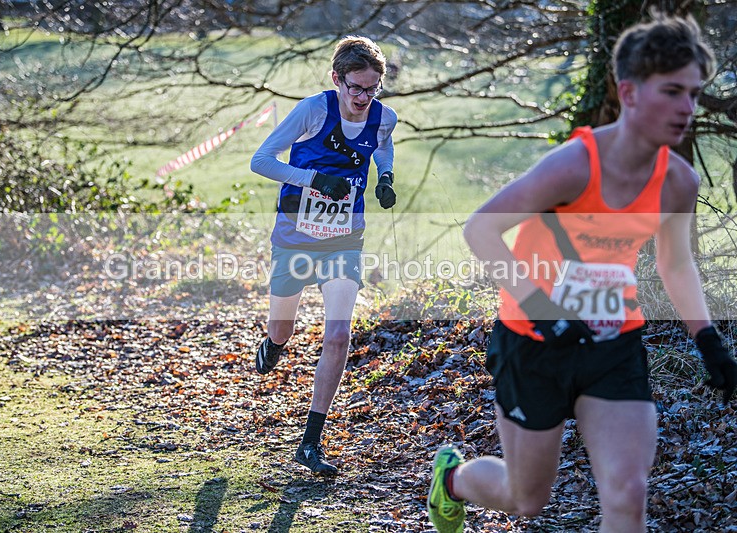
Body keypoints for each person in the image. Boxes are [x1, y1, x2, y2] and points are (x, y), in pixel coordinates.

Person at [427, 12, 736, 533]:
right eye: (672, 91)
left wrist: (707, 338)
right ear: (629, 92)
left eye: (693, 93)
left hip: (612, 344)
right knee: (526, 499)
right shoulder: (574, 166)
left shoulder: (677, 182)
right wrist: (542, 310)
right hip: (533, 344)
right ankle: (452, 480)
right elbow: (481, 229)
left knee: (628, 491)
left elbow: (675, 261)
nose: (687, 108)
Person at [250, 36, 397, 475]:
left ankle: (310, 442)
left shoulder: (384, 117)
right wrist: (312, 179)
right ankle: (274, 343)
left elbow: (383, 145)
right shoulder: (313, 111)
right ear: (337, 79)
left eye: (372, 88)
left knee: (337, 336)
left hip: (343, 239)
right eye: (355, 88)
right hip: (295, 236)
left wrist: (385, 177)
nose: (363, 98)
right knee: (283, 328)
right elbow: (261, 160)